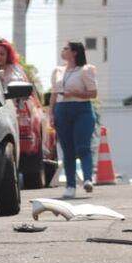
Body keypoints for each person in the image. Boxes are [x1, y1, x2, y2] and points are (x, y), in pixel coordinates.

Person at [50, 40, 98, 199]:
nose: (62, 51)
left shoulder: (85, 70)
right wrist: (51, 113)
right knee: (67, 149)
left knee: (83, 147)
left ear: (74, 52)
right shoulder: (58, 71)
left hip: (82, 109)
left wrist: (74, 93)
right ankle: (70, 186)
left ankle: (88, 179)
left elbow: (93, 93)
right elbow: (54, 94)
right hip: (62, 110)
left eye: (66, 48)